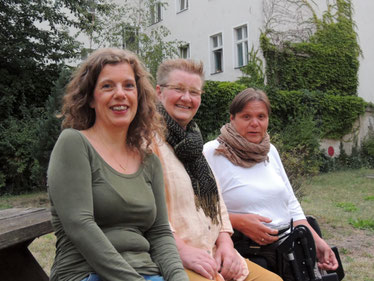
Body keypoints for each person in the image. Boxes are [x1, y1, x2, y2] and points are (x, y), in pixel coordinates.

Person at [47, 48, 188, 281]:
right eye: (107, 86)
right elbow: (81, 226)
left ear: (139, 96)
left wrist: (178, 278)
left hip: (147, 272)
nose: (120, 94)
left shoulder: (149, 161)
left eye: (128, 86)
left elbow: (161, 233)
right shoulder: (74, 143)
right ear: (90, 98)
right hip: (86, 273)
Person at [153, 59, 282, 281]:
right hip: (172, 255)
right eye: (178, 89)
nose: (186, 98)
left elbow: (217, 204)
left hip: (214, 253)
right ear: (159, 92)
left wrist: (226, 244)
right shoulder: (147, 142)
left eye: (194, 92)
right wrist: (182, 251)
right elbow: (146, 212)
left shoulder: (194, 145)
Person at [203, 88, 339, 280]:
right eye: (246, 116)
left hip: (289, 251)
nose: (255, 124)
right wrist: (238, 221)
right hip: (246, 253)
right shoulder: (212, 152)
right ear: (232, 119)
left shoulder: (269, 151)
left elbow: (290, 203)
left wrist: (317, 241)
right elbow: (199, 211)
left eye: (261, 116)